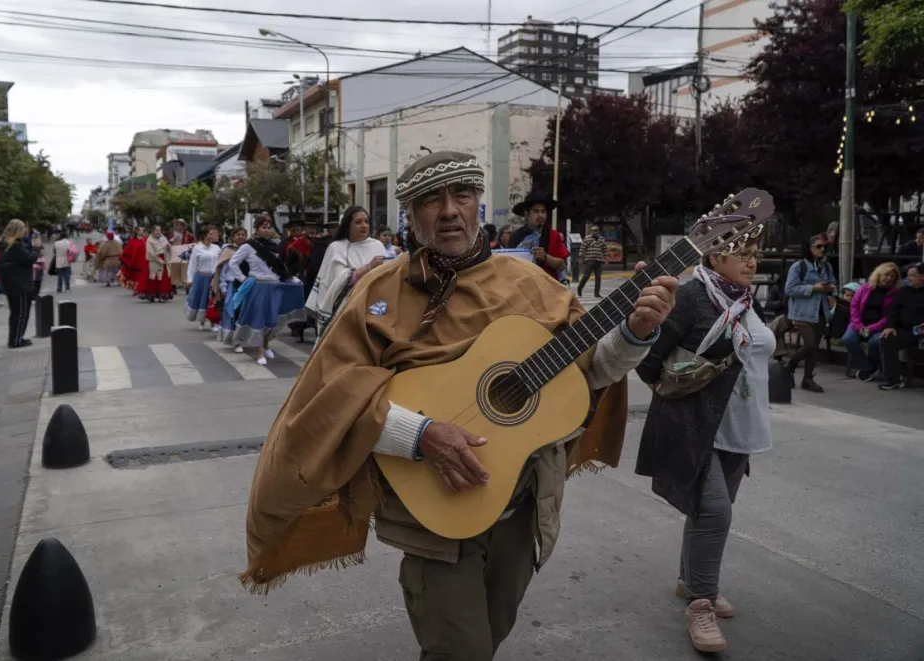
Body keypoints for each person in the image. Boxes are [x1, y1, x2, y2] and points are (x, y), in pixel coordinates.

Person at [241, 150, 678, 660]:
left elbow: (588, 377)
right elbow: (329, 401)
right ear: (410, 214)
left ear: (478, 205)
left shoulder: (534, 284)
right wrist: (421, 435)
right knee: (461, 650)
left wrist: (635, 332)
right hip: (432, 517)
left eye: (461, 195)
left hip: (521, 506)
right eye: (431, 200)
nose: (449, 210)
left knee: (490, 637)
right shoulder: (377, 294)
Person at [635, 217, 773, 653]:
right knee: (716, 513)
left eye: (756, 253)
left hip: (740, 424)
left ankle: (689, 580)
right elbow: (647, 357)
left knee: (708, 510)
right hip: (695, 424)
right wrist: (670, 389)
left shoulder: (745, 300)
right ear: (716, 256)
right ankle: (701, 604)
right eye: (744, 254)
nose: (752, 262)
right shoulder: (693, 297)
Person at [226, 217, 305, 366]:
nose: (267, 230)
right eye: (264, 227)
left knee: (272, 318)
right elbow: (233, 263)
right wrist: (243, 279)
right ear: (256, 228)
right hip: (259, 286)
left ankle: (266, 344)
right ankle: (260, 351)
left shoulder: (275, 245)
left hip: (274, 286)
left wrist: (291, 279)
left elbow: (280, 268)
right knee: (259, 319)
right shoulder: (248, 246)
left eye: (269, 227)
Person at [304, 205, 386, 338]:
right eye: (358, 222)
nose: (364, 225)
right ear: (348, 226)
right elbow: (339, 281)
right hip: (344, 309)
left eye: (366, 221)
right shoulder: (337, 248)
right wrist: (369, 267)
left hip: (373, 307)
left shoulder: (377, 245)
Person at [782, 233, 836, 392]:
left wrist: (831, 289)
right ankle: (788, 367)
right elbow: (789, 289)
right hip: (802, 312)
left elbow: (833, 282)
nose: (822, 250)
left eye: (825, 247)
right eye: (818, 246)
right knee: (810, 345)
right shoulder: (799, 266)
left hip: (821, 311)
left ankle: (807, 378)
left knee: (814, 347)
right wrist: (813, 288)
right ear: (810, 248)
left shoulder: (826, 266)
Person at [840, 262, 900, 381]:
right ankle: (868, 367)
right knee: (847, 339)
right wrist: (858, 325)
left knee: (875, 342)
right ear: (879, 275)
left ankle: (869, 368)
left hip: (879, 327)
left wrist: (871, 328)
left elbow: (889, 316)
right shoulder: (866, 288)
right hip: (860, 324)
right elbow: (854, 306)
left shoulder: (895, 294)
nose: (889, 278)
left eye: (892, 276)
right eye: (886, 275)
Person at [0, 219, 41, 349]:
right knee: (21, 313)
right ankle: (16, 340)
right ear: (17, 231)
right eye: (22, 229)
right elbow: (28, 259)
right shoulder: (14, 246)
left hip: (10, 283)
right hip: (19, 283)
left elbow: (21, 259)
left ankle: (15, 338)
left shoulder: (5, 245)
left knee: (15, 312)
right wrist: (36, 248)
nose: (25, 231)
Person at [878, 262, 924, 390]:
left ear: (922, 276)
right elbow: (893, 311)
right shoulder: (903, 291)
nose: (908, 278)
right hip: (908, 331)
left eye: (912, 276)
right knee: (887, 339)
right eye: (907, 275)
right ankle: (892, 379)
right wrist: (890, 326)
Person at [508, 191, 570, 283]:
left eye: (543, 211)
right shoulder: (515, 237)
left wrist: (545, 257)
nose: (540, 215)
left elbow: (562, 265)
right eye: (536, 211)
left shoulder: (553, 235)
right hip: (522, 288)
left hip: (549, 288)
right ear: (526, 214)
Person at [184, 225, 222, 328]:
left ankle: (214, 323)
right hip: (201, 277)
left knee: (213, 300)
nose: (213, 235)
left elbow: (219, 263)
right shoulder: (197, 248)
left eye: (214, 233)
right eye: (211, 233)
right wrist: (189, 279)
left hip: (213, 278)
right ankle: (202, 320)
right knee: (202, 299)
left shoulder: (217, 248)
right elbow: (192, 265)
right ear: (205, 235)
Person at [140, 225, 172, 302]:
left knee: (163, 279)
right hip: (154, 260)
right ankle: (152, 294)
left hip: (163, 259)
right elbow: (150, 252)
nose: (158, 232)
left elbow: (169, 248)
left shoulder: (163, 238)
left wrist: (168, 247)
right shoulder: (149, 240)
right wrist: (158, 259)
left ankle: (162, 294)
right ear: (153, 231)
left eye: (159, 230)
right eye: (157, 230)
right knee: (154, 279)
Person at [577, 224, 608, 298]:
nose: (595, 232)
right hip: (589, 260)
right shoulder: (587, 238)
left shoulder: (601, 239)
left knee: (598, 277)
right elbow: (582, 249)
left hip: (598, 260)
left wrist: (606, 258)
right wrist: (581, 258)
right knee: (586, 276)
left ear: (598, 231)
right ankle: (580, 287)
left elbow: (605, 249)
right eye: (593, 230)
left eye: (596, 230)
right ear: (591, 231)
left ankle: (596, 293)